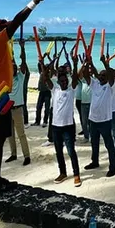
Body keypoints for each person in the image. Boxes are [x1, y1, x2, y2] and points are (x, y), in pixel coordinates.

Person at [0, 0, 45, 190]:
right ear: (0, 31)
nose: (9, 30)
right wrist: (33, 3)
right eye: (5, 28)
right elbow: (17, 20)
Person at [43, 56, 83, 187]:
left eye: (66, 81)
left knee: (71, 151)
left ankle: (76, 174)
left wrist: (75, 64)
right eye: (62, 81)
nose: (64, 83)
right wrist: (45, 66)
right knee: (58, 152)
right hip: (56, 126)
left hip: (68, 126)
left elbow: (76, 78)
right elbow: (46, 78)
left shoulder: (71, 90)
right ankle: (63, 173)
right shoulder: (55, 90)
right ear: (58, 82)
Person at [83, 54, 115, 177]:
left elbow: (111, 77)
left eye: (104, 75)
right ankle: (95, 162)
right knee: (94, 143)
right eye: (101, 75)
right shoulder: (95, 83)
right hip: (93, 119)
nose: (102, 77)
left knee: (109, 145)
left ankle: (112, 168)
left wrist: (105, 63)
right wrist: (87, 63)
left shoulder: (111, 86)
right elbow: (86, 75)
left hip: (105, 120)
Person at [5, 42, 31, 165]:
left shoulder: (20, 77)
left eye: (16, 68)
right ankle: (13, 154)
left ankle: (27, 156)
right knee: (10, 134)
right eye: (12, 68)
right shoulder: (7, 79)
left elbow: (23, 62)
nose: (14, 69)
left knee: (21, 134)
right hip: (7, 109)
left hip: (17, 109)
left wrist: (22, 48)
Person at [35, 61, 52, 128]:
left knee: (47, 108)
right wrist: (41, 60)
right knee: (38, 107)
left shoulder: (49, 74)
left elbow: (52, 66)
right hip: (41, 92)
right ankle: (37, 121)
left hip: (47, 92)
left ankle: (45, 121)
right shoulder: (41, 72)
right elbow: (39, 64)